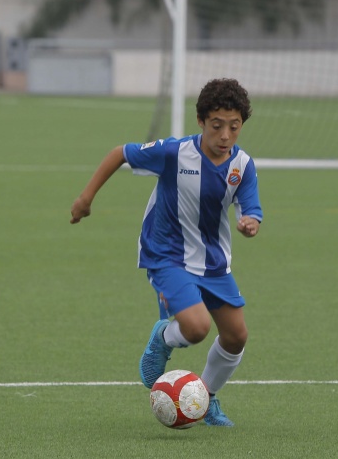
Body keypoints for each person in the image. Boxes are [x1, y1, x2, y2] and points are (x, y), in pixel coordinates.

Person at [70, 78, 262, 427]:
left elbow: (251, 208)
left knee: (236, 337)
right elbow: (120, 153)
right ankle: (162, 338)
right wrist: (86, 198)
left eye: (234, 127)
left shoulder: (242, 166)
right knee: (196, 327)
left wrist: (250, 222)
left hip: (214, 263)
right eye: (217, 126)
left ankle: (205, 399)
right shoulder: (175, 153)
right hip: (167, 255)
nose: (225, 135)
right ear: (202, 121)